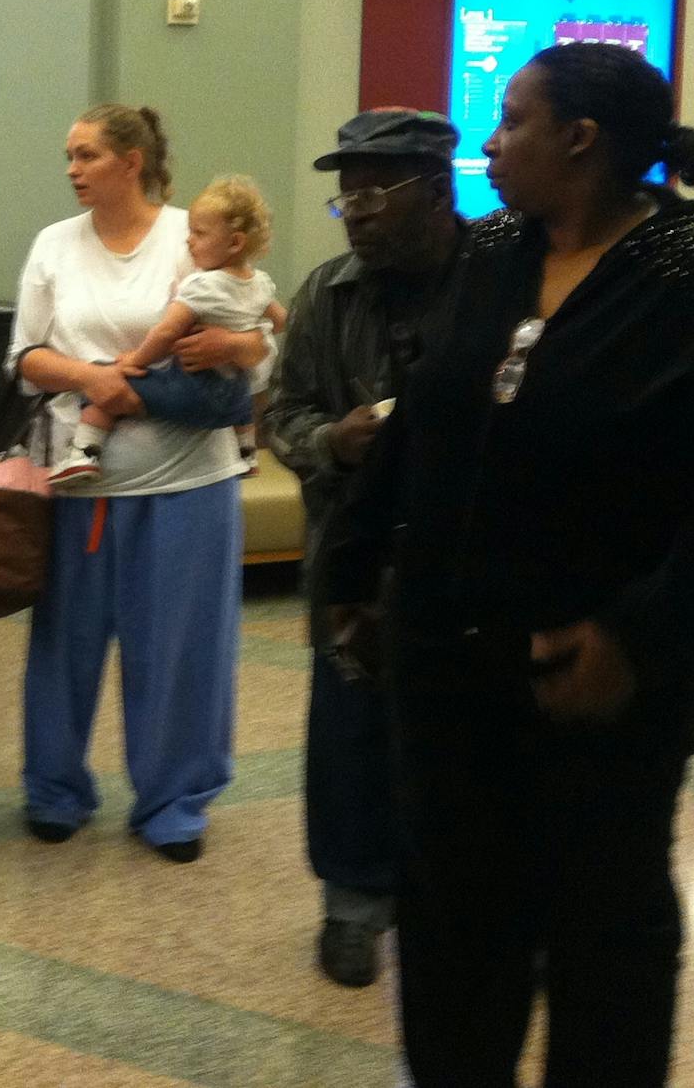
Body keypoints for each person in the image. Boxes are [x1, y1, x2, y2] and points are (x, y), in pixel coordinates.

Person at [323, 44, 694, 1087]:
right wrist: (356, 565)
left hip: (594, 681)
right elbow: (426, 417)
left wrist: (642, 634)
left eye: (510, 120)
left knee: (604, 923)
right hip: (447, 662)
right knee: (452, 912)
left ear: (580, 140)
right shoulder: (492, 248)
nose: (489, 143)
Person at [8, 105, 271, 862]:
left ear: (132, 161)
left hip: (190, 481)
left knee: (184, 649)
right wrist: (96, 378)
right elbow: (24, 355)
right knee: (64, 645)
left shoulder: (199, 235)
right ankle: (55, 789)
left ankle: (174, 801)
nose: (71, 168)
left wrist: (238, 343)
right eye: (68, 155)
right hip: (83, 481)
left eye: (85, 154)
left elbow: (263, 344)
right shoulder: (54, 244)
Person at [269, 109, 466, 990]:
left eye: (373, 192)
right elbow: (282, 413)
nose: (355, 210)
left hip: (467, 559)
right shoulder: (326, 293)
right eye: (344, 195)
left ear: (435, 189)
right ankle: (352, 902)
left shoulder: (496, 280)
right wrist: (333, 441)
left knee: (461, 733)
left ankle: (459, 901)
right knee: (350, 732)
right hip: (353, 559)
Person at [48, 173, 286, 486]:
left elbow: (165, 333)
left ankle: (84, 452)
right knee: (242, 391)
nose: (189, 241)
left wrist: (134, 361)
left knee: (106, 385)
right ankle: (247, 452)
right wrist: (243, 333)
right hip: (235, 400)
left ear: (234, 242)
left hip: (193, 391)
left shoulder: (203, 285)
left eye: (199, 234)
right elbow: (281, 320)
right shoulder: (259, 283)